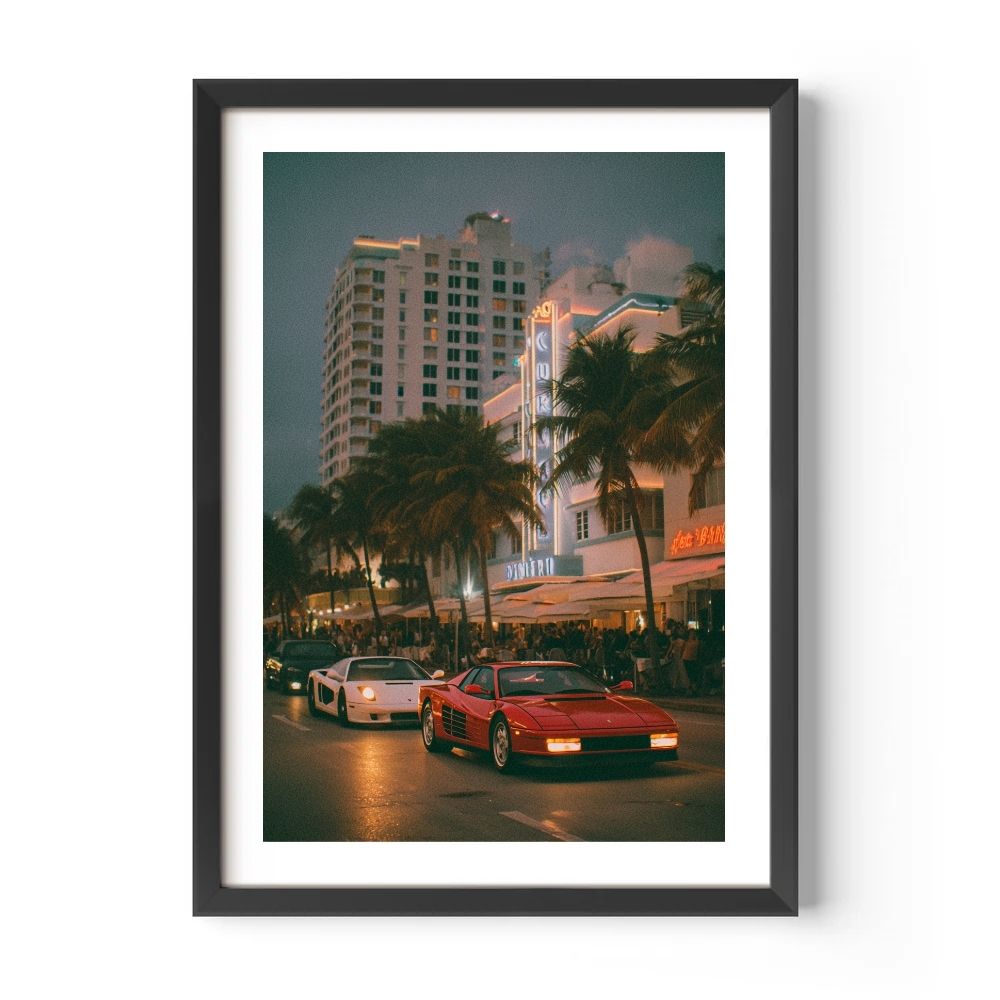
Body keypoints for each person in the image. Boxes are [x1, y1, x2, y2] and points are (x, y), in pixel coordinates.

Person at [682, 629, 702, 695]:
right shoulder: (686, 641)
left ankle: (692, 689)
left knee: (693, 674)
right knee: (690, 674)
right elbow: (683, 649)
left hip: (693, 659)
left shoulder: (696, 641)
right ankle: (691, 689)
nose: (692, 634)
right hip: (686, 658)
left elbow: (698, 649)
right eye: (691, 633)